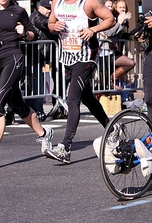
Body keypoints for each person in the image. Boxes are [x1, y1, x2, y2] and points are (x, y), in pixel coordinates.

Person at [44, 0, 115, 163]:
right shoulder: (57, 2)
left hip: (86, 57)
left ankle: (65, 148)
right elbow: (51, 23)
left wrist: (93, 30)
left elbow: (110, 19)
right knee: (87, 98)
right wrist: (54, 27)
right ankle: (112, 128)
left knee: (72, 100)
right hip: (67, 56)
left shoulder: (89, 3)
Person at [0, 0, 54, 152]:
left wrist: (24, 32)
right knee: (17, 104)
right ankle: (44, 134)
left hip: (12, 58)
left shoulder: (18, 11)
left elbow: (33, 34)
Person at [26, 0, 62, 121]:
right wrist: (56, 22)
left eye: (50, 8)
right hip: (35, 55)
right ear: (40, 7)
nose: (49, 11)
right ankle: (37, 111)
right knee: (37, 84)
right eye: (47, 8)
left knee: (55, 79)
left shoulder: (46, 16)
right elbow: (45, 23)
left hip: (47, 53)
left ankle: (57, 107)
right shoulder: (36, 16)